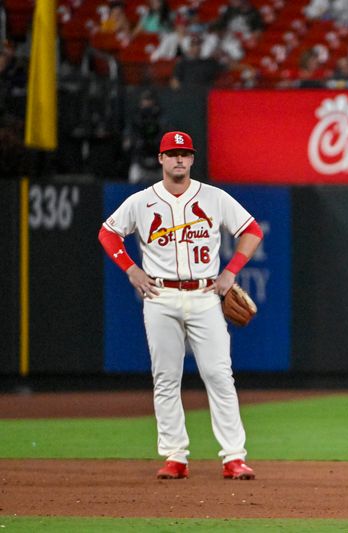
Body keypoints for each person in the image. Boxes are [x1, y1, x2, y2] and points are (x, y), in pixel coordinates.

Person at [98, 131, 263, 480]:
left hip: (205, 296)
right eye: (172, 153)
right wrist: (130, 269)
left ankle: (234, 457)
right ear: (160, 159)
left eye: (184, 154)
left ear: (192, 159)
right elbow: (108, 232)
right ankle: (175, 457)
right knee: (166, 378)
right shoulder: (142, 201)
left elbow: (251, 231)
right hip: (161, 297)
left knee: (219, 375)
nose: (178, 159)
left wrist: (231, 272)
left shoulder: (215, 197)